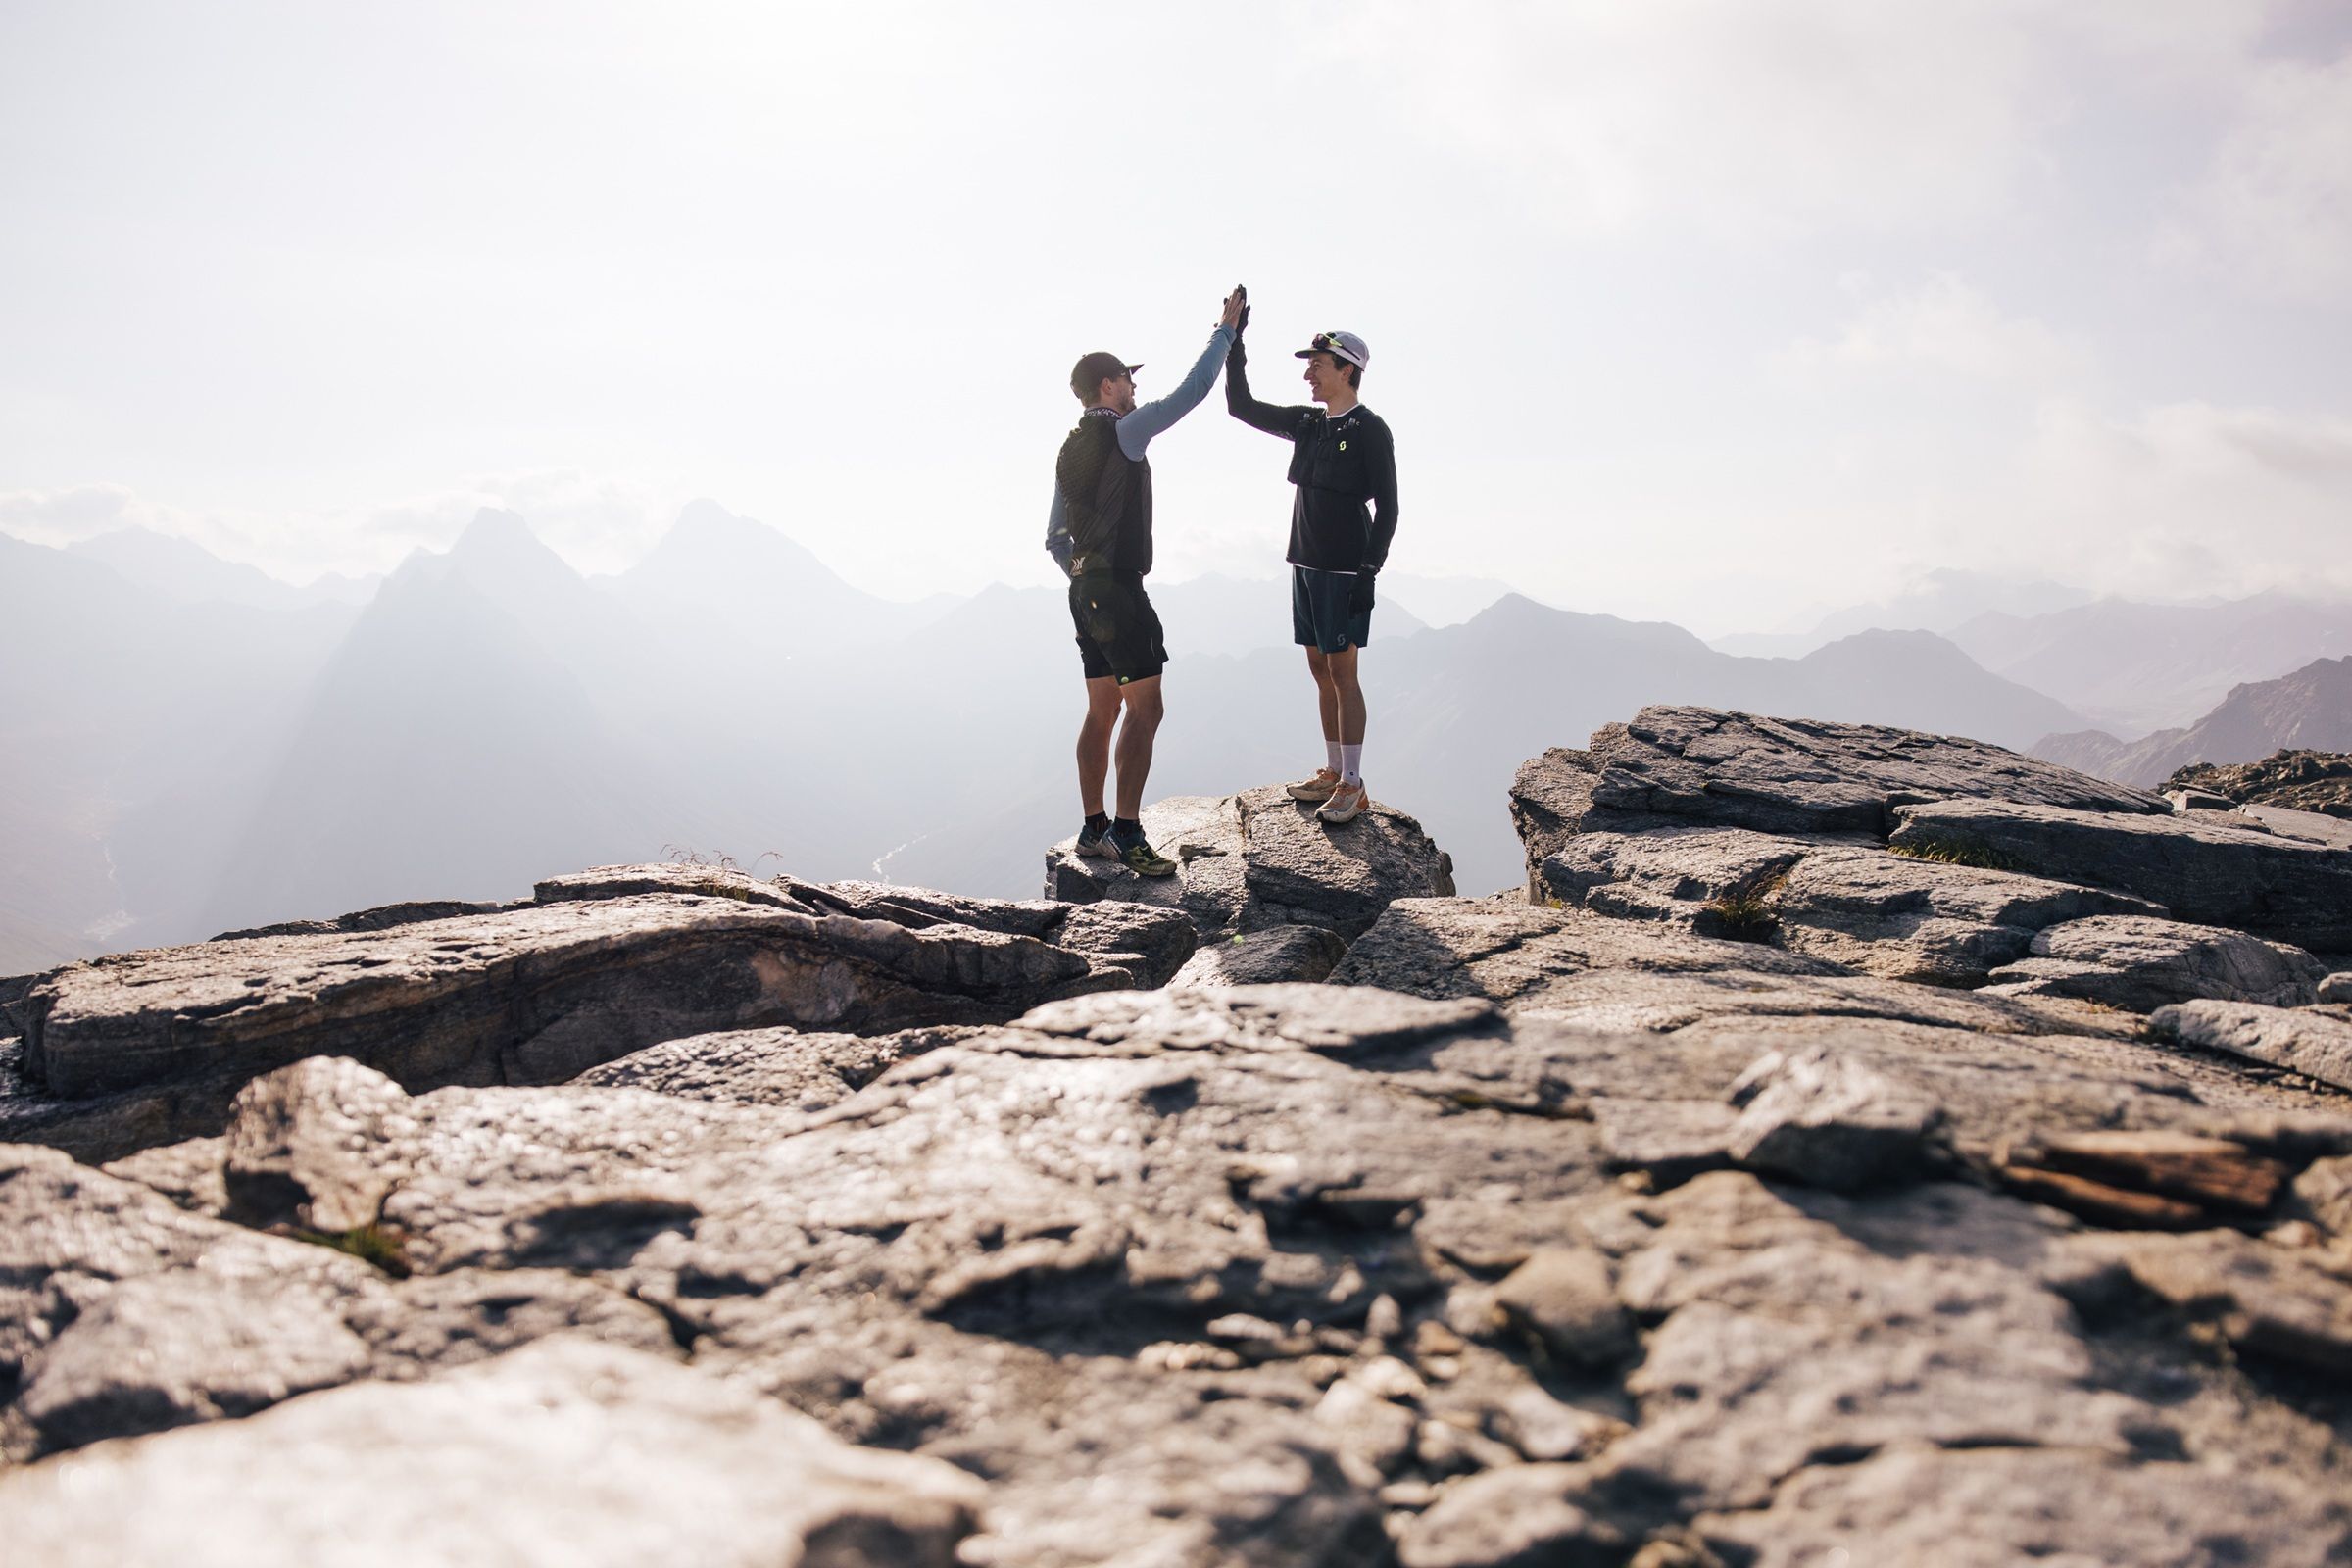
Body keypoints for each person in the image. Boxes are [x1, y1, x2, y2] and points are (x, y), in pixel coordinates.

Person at [1046, 288, 1247, 875]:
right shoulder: (1123, 432)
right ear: (1108, 388)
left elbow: (1055, 537)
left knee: (1101, 708)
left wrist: (1086, 575)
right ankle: (1129, 834)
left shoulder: (1069, 449)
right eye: (1127, 382)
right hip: (1119, 590)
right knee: (1147, 710)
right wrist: (1225, 333)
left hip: (1084, 592)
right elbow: (1191, 393)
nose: (1134, 390)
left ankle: (1092, 829)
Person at [1223, 314, 1397, 823]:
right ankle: (1332, 767)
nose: (1308, 376)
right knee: (1319, 668)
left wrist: (1369, 572)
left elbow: (1387, 507)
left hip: (1343, 568)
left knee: (1344, 673)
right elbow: (1241, 407)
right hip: (1304, 563)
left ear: (1347, 370)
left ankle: (1353, 783)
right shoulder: (1308, 424)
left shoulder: (1370, 430)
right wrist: (1235, 345)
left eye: (1317, 366)